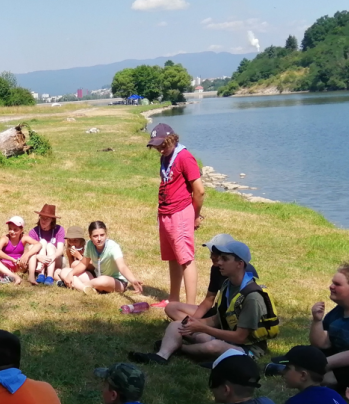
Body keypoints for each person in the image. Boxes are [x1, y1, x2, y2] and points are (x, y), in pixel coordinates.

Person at [130, 239, 277, 365]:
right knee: (177, 325)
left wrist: (203, 328)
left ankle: (179, 348)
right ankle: (161, 356)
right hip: (226, 338)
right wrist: (194, 323)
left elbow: (240, 337)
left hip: (247, 349)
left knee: (213, 346)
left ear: (239, 264)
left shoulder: (252, 297)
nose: (219, 262)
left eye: (225, 259)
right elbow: (218, 318)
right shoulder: (228, 284)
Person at [147, 123, 205, 305]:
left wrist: (195, 215)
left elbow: (199, 191)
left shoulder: (185, 157)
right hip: (166, 213)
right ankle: (173, 300)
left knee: (186, 259)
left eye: (163, 145)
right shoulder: (165, 157)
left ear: (172, 139)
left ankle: (190, 306)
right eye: (157, 146)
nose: (160, 149)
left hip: (180, 212)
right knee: (172, 257)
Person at [162, 233, 257, 323]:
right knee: (171, 308)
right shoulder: (216, 269)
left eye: (215, 253)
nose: (211, 256)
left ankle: (198, 331)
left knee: (177, 327)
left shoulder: (242, 273)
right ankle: (194, 329)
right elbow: (209, 300)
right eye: (211, 252)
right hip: (217, 314)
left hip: (230, 319)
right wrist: (194, 321)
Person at [63, 221, 143, 294]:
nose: (99, 239)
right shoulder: (90, 245)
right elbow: (83, 264)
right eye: (95, 236)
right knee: (65, 271)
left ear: (106, 235)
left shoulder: (113, 247)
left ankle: (78, 286)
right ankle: (85, 289)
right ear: (90, 237)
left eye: (102, 235)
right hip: (96, 277)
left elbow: (122, 266)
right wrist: (71, 274)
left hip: (116, 282)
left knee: (102, 280)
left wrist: (133, 280)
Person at [0, 216, 39, 285]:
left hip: (19, 265)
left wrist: (26, 255)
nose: (12, 232)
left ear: (21, 230)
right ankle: (15, 277)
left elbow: (38, 244)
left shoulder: (24, 238)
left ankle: (31, 276)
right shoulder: (5, 238)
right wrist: (12, 259)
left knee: (32, 250)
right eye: (10, 229)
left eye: (15, 229)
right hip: (5, 266)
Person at [27, 204, 65, 286]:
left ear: (52, 220)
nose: (43, 221)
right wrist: (39, 257)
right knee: (42, 242)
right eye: (42, 218)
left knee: (50, 246)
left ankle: (49, 276)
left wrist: (52, 257)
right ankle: (41, 274)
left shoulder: (59, 230)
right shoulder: (33, 232)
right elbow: (30, 250)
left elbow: (60, 249)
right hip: (39, 261)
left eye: (47, 219)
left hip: (55, 259)